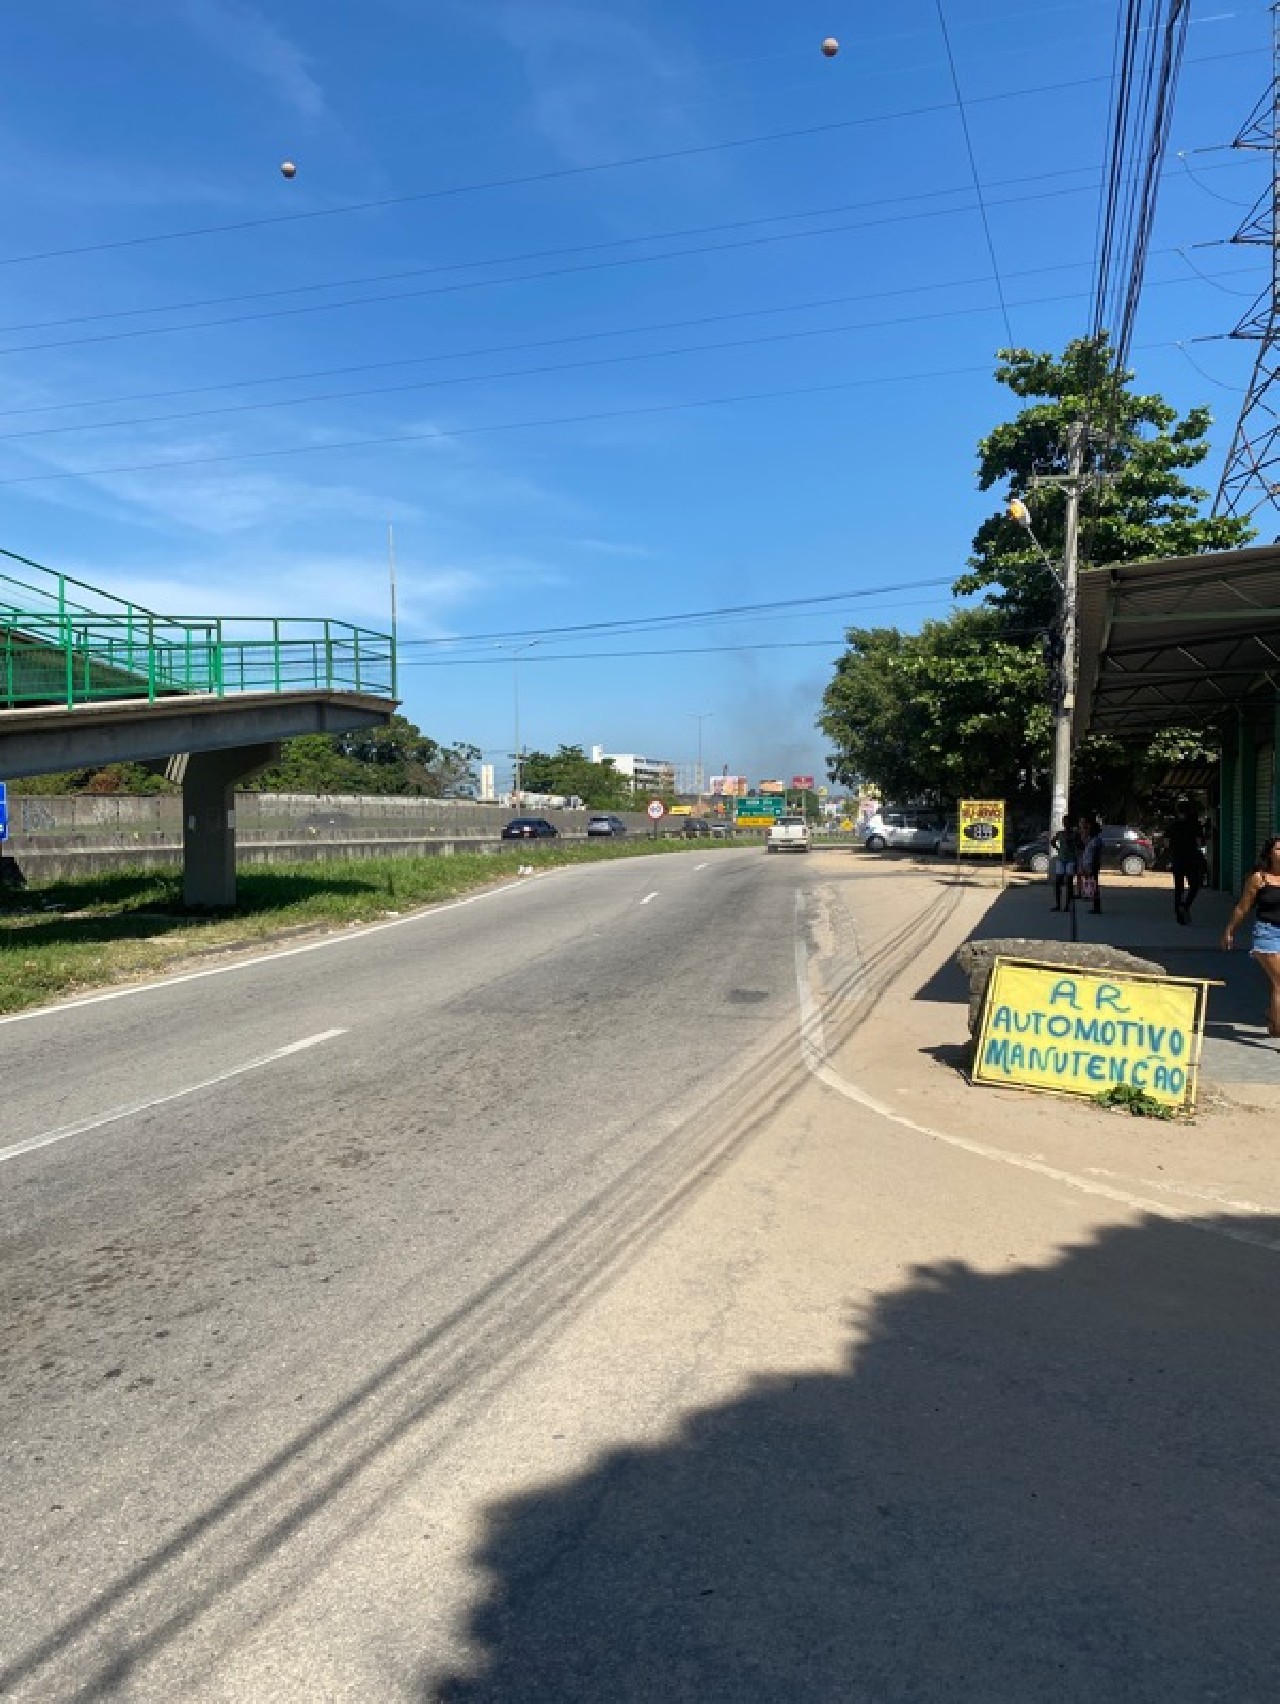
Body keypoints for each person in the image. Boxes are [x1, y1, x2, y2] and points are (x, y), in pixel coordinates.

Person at [1220, 835, 1280, 1037]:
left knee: (1276, 983)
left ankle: (1274, 1018)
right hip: (1267, 934)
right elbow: (1242, 908)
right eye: (1279, 849)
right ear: (1270, 853)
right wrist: (1230, 931)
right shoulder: (1259, 878)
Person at [1166, 799, 1205, 926]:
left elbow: (1166, 843)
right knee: (1194, 885)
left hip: (1177, 859)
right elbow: (1199, 842)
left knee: (1179, 887)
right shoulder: (1195, 824)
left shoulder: (1173, 825)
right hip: (1191, 859)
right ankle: (1186, 905)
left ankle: (1179, 913)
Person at [1050, 815, 1078, 911]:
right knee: (1058, 882)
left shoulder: (1074, 834)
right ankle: (1058, 905)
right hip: (1061, 859)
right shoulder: (1060, 833)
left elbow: (1080, 845)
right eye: (1064, 822)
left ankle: (1067, 905)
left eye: (1067, 822)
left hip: (1071, 859)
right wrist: (1058, 849)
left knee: (1069, 883)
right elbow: (1052, 841)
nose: (1066, 824)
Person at [1079, 815, 1104, 915]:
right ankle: (1095, 905)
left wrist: (1093, 866)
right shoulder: (1091, 840)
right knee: (1092, 885)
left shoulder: (1096, 841)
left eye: (1089, 829)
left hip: (1093, 865)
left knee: (1094, 885)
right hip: (1090, 864)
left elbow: (1095, 855)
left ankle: (1096, 906)